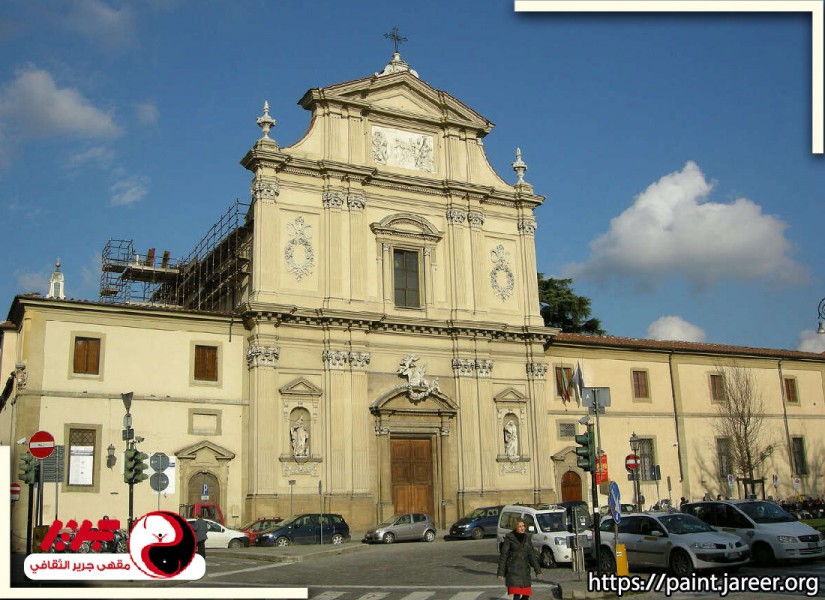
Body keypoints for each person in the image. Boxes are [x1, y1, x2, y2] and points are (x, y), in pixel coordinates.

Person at [497, 518, 541, 600]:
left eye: (523, 526)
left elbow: (531, 555)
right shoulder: (509, 538)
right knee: (517, 594)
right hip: (513, 571)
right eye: (520, 526)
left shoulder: (527, 538)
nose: (522, 528)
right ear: (515, 527)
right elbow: (504, 556)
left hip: (525, 571)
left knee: (526, 595)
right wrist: (501, 573)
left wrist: (537, 570)